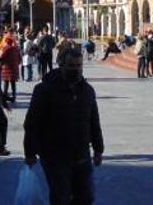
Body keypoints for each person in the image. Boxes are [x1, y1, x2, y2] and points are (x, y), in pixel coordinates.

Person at [24, 47, 104, 205]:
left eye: (79, 66)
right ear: (61, 66)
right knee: (61, 196)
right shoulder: (44, 90)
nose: (76, 70)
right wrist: (30, 152)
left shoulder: (87, 91)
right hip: (54, 154)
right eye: (71, 66)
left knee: (86, 197)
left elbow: (94, 121)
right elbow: (32, 123)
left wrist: (98, 149)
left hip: (81, 153)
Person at [0, 35, 22, 104]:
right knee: (13, 83)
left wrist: (0, 65)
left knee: (6, 83)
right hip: (14, 69)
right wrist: (16, 64)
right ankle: (14, 96)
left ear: (6, 42)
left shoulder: (5, 50)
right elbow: (19, 59)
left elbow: (2, 59)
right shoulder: (16, 49)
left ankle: (5, 96)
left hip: (6, 69)